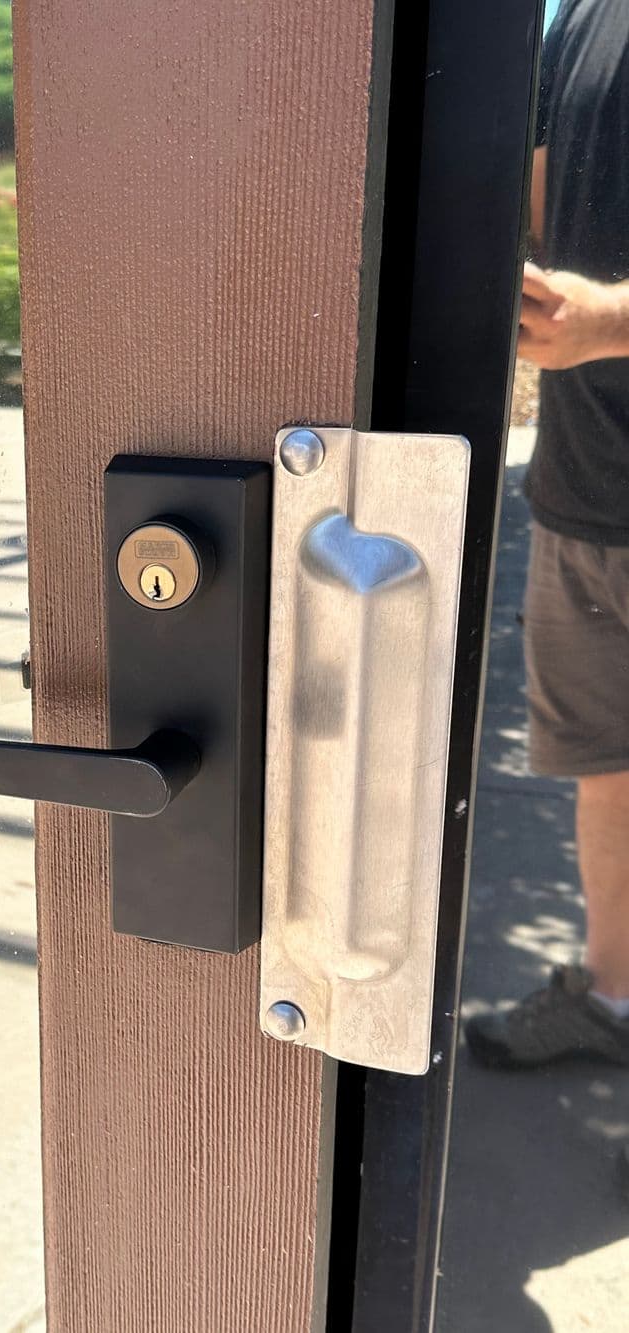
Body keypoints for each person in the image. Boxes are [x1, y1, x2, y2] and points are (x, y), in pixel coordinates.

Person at [465, 0, 629, 1070]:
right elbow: (528, 213)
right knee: (606, 773)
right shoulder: (579, 20)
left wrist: (608, 322)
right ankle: (610, 999)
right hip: (582, 492)